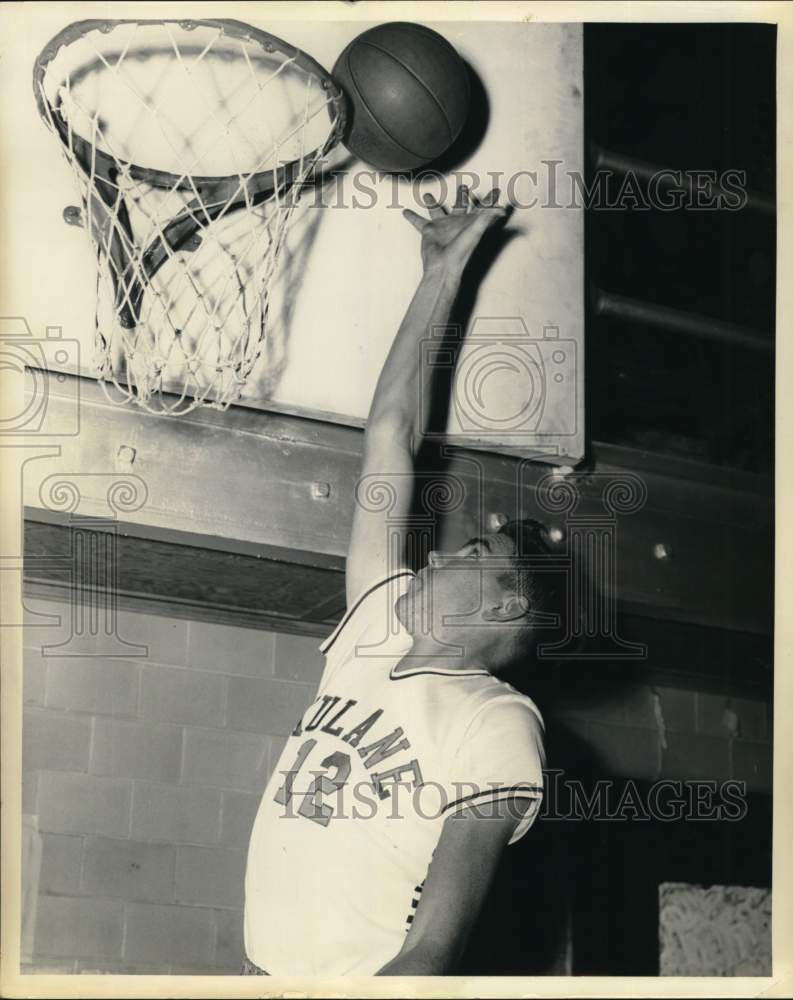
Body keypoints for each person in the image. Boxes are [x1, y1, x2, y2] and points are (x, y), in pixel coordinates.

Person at [243, 185, 558, 976]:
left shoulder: (496, 723)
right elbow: (390, 434)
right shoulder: (376, 631)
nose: (440, 555)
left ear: (505, 604)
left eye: (471, 556)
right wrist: (442, 274)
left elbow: (433, 949)